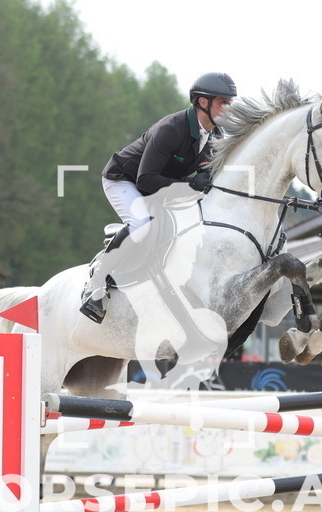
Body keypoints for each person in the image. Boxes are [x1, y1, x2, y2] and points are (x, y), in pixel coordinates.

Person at [79, 72, 237, 324]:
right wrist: (189, 184)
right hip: (125, 179)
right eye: (223, 103)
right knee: (142, 224)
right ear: (203, 102)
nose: (229, 109)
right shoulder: (171, 129)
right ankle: (96, 285)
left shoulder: (216, 135)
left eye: (230, 103)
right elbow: (145, 180)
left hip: (160, 186)